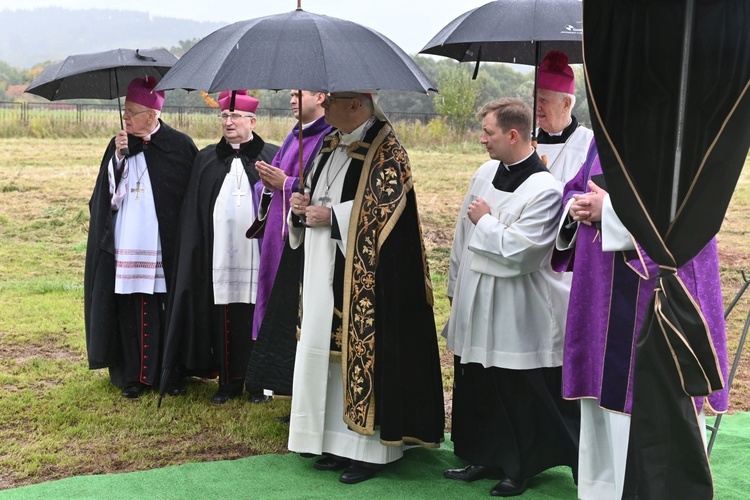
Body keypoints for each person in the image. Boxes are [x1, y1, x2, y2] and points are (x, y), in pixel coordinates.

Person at [551, 139, 729, 500]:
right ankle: (601, 491)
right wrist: (575, 206)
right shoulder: (602, 137)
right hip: (598, 292)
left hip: (649, 297)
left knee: (645, 403)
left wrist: (611, 210)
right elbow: (575, 187)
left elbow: (686, 212)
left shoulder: (677, 138)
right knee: (599, 398)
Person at [287, 91, 445, 484]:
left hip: (372, 279)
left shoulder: (387, 149)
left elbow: (384, 216)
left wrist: (334, 217)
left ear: (356, 104)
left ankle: (370, 452)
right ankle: (336, 443)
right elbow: (317, 194)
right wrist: (299, 208)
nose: (322, 107)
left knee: (364, 354)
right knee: (328, 352)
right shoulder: (328, 142)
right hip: (323, 266)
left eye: (331, 101)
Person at [443, 98, 579, 497]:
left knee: (517, 389)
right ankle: (483, 454)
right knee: (480, 381)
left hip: (517, 305)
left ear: (513, 135)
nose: (482, 139)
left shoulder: (546, 189)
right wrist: (455, 284)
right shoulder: (485, 172)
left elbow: (523, 253)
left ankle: (518, 467)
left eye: (488, 132)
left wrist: (485, 220)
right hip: (476, 294)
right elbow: (460, 235)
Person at [161, 90, 279, 404]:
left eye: (236, 116)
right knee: (223, 313)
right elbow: (194, 213)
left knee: (258, 313)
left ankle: (259, 385)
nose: (229, 122)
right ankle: (227, 384)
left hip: (258, 255)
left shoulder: (272, 155)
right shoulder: (205, 159)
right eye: (224, 116)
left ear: (253, 120)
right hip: (219, 255)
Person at [84, 76, 198, 399]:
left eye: (133, 112)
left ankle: (169, 375)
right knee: (130, 307)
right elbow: (107, 201)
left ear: (152, 114)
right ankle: (132, 377)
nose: (126, 118)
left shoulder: (179, 146)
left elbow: (188, 200)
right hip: (127, 245)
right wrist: (119, 159)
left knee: (164, 306)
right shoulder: (118, 145)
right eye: (124, 111)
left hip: (164, 248)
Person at [244, 90, 332, 401]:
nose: (292, 100)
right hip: (276, 236)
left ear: (321, 97)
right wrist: (267, 185)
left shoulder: (330, 137)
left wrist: (285, 183)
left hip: (305, 237)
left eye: (299, 94)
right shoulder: (293, 135)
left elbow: (322, 187)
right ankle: (279, 382)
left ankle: (300, 388)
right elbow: (276, 182)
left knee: (300, 307)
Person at [534, 50, 593, 187]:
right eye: (535, 99)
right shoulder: (528, 140)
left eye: (543, 100)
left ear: (566, 104)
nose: (537, 106)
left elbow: (588, 193)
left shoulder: (589, 143)